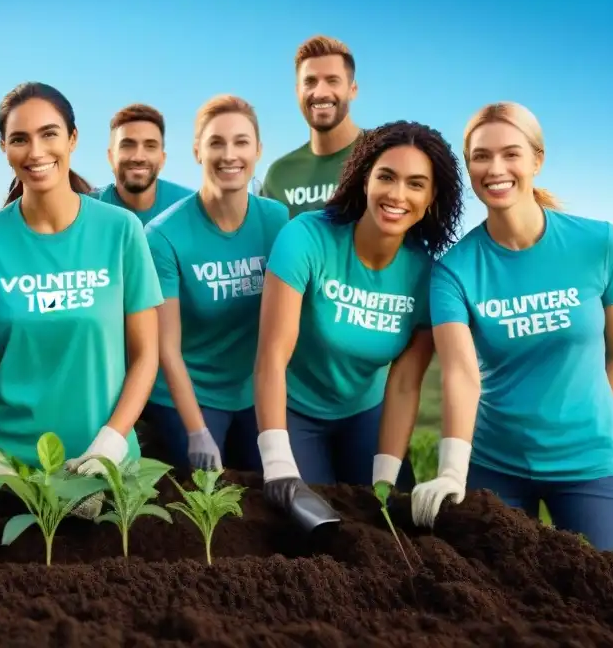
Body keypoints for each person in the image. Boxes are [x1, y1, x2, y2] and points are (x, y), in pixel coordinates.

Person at [411, 102, 613, 553]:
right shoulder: (454, 271)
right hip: (496, 465)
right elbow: (460, 373)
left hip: (594, 463)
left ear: (537, 159)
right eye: (481, 156)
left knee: (612, 598)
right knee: (500, 603)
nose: (496, 168)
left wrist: (579, 413)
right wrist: (453, 470)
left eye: (511, 153)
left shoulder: (601, 243)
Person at [0, 82, 163, 479]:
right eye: (19, 139)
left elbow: (146, 354)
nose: (36, 151)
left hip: (105, 461)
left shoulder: (121, 231)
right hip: (12, 464)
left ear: (73, 138)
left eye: (49, 134)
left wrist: (111, 443)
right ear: (3, 148)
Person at [253, 121, 464, 507]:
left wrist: (383, 481)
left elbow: (403, 384)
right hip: (294, 410)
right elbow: (271, 355)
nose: (397, 194)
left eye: (416, 184)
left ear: (432, 197)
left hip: (367, 414)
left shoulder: (427, 276)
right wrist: (277, 460)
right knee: (311, 525)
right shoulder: (306, 237)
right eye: (387, 177)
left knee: (388, 527)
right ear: (366, 179)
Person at [143, 95, 288, 472]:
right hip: (190, 391)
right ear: (196, 151)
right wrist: (196, 430)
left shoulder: (277, 221)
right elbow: (167, 349)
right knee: (206, 494)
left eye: (241, 142)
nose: (229, 155)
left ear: (258, 150)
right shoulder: (164, 235)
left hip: (254, 389)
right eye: (215, 143)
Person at [259, 36, 364, 218]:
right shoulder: (279, 176)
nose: (321, 92)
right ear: (297, 91)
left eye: (332, 80)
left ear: (352, 90)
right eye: (310, 81)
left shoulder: (382, 158)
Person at [91, 103, 193, 224]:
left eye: (150, 146)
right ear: (110, 157)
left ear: (162, 159)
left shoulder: (191, 208)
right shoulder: (86, 210)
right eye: (127, 145)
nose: (138, 157)